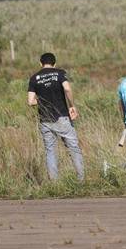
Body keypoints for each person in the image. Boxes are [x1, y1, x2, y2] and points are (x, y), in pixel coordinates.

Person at [27, 52, 84, 181]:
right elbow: (67, 89)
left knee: (50, 151)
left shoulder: (34, 78)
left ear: (40, 63)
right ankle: (81, 180)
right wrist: (72, 105)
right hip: (62, 117)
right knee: (73, 147)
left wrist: (42, 101)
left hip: (45, 120)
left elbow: (30, 101)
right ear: (55, 63)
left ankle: (54, 183)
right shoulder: (59, 73)